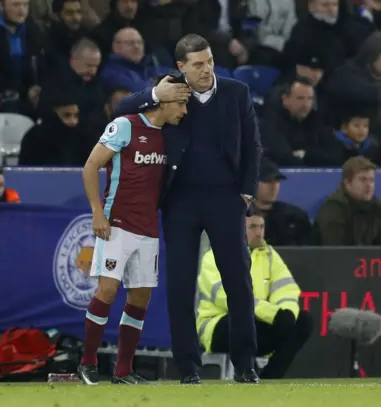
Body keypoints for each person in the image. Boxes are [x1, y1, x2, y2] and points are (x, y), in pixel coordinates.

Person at [114, 34, 262, 384]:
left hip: (226, 198)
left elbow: (253, 145)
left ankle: (245, 364)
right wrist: (155, 95)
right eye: (197, 64)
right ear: (181, 67)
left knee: (238, 282)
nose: (206, 69)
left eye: (209, 61)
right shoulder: (169, 91)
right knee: (180, 285)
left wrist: (246, 192)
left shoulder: (236, 92)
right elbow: (121, 109)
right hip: (180, 201)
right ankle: (189, 367)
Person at [78, 75, 188, 385]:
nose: (184, 110)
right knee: (108, 290)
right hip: (118, 223)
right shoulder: (125, 125)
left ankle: (123, 371)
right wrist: (97, 212)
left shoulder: (171, 136)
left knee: (140, 299)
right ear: (163, 100)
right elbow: (89, 167)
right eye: (180, 103)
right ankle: (87, 362)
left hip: (149, 228)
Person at [197, 214, 312, 379]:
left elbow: (286, 289)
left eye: (261, 226)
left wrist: (286, 313)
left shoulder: (269, 255)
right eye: (252, 227)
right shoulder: (215, 255)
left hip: (258, 321)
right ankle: (244, 372)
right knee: (243, 320)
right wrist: (272, 314)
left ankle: (271, 376)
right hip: (218, 325)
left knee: (302, 321)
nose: (259, 232)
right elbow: (228, 296)